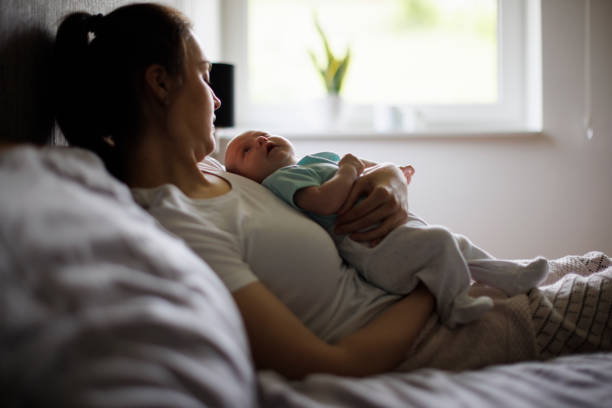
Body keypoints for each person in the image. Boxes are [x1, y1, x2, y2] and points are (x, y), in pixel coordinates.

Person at [52, 3, 611, 380]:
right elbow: (328, 361)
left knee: (598, 263)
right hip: (437, 335)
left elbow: (337, 171)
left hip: (451, 293)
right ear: (158, 82)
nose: (216, 99)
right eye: (202, 76)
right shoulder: (180, 228)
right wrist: (430, 283)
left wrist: (388, 178)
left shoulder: (222, 169)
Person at [224, 130, 549, 328]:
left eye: (261, 133)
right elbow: (326, 202)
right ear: (250, 178)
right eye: (247, 149)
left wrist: (390, 170)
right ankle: (455, 305)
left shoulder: (312, 160)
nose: (261, 139)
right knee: (440, 241)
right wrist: (349, 169)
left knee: (454, 241)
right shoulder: (283, 180)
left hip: (390, 233)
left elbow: (373, 168)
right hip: (371, 249)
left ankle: (510, 275)